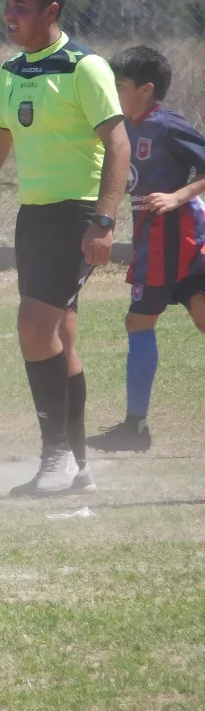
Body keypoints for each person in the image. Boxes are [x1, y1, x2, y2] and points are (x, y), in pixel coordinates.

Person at [0, 0, 129, 497]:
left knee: (33, 327)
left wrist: (104, 220)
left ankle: (57, 457)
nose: (9, 15)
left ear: (50, 10)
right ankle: (78, 465)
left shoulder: (84, 68)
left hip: (77, 214)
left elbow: (118, 147)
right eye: (7, 5)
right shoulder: (12, 72)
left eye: (20, 7)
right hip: (35, 217)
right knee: (59, 335)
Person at [87, 46, 205, 453]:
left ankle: (135, 429)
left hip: (184, 238)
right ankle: (135, 428)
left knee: (144, 322)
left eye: (120, 86)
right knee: (151, 321)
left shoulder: (166, 125)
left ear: (147, 89)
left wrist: (177, 196)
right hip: (153, 242)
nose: (114, 93)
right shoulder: (123, 128)